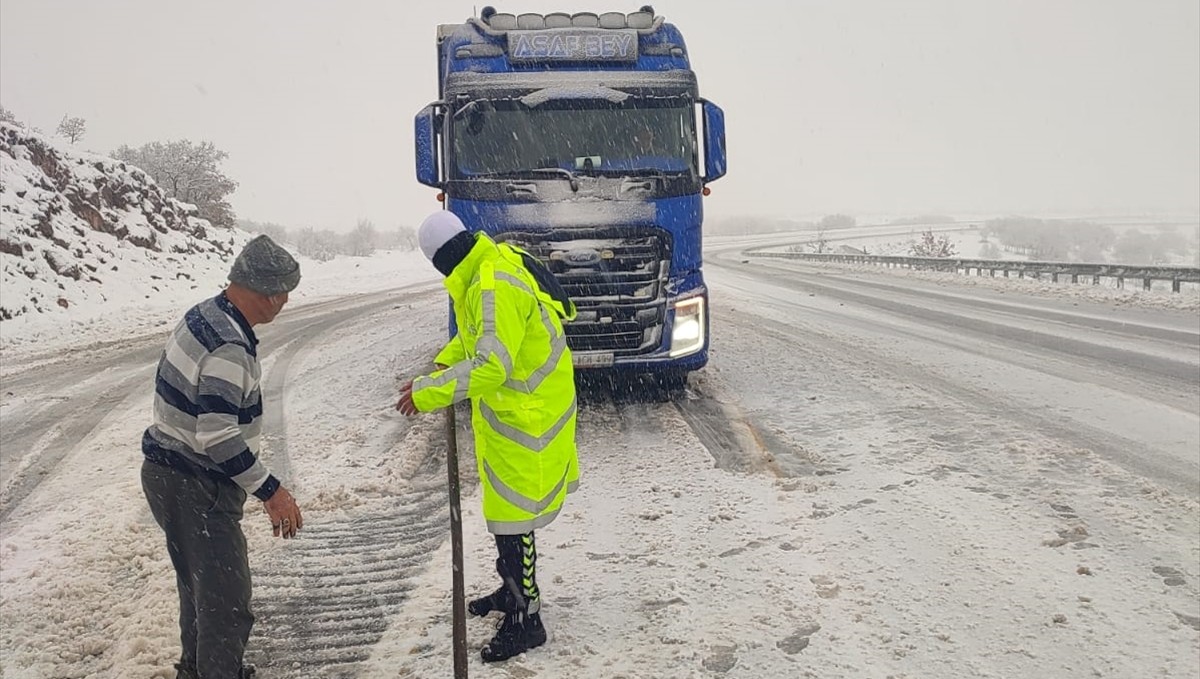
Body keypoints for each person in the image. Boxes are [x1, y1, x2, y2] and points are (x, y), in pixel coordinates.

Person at [396, 211, 579, 663]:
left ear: (440, 259)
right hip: (521, 407)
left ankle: (525, 619)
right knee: (505, 512)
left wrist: (428, 392)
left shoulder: (490, 284)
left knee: (513, 518)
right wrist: (446, 361)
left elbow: (492, 364)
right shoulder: (485, 266)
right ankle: (511, 588)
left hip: (528, 414)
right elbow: (479, 337)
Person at [141, 234, 304, 679]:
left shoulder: (204, 315)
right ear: (268, 294)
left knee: (201, 590)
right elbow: (218, 436)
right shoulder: (229, 346)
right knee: (226, 603)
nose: (286, 301)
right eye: (285, 291)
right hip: (197, 485)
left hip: (167, 472)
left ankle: (197, 670)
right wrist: (272, 492)